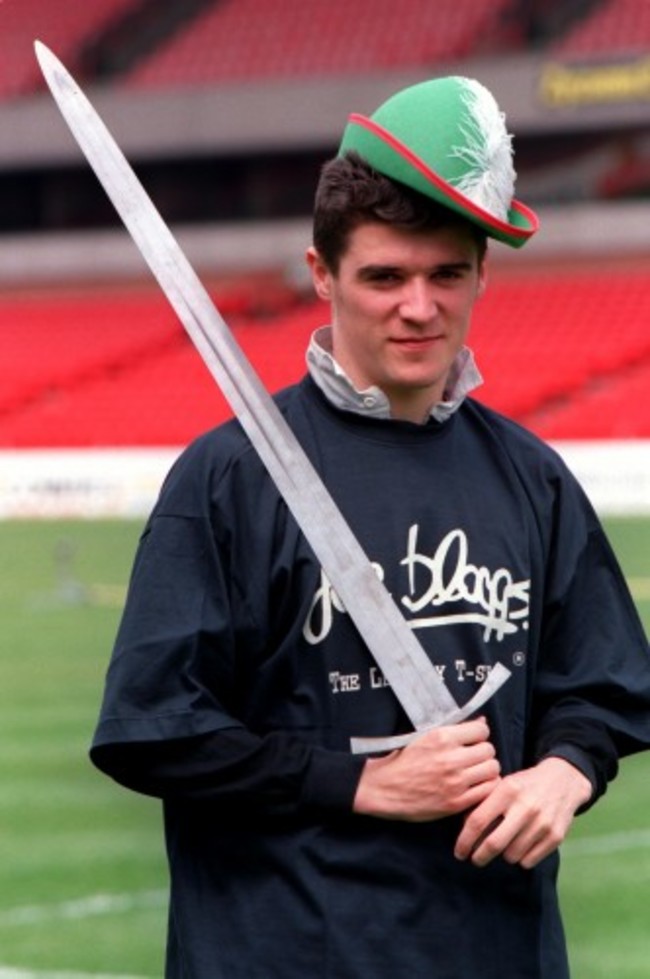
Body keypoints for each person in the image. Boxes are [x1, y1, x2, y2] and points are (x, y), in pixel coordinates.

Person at [90, 76, 650, 978]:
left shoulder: (531, 476)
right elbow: (154, 729)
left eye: (446, 275)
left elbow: (600, 687)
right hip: (285, 951)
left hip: (494, 948)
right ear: (323, 275)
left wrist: (564, 773)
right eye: (384, 276)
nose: (418, 308)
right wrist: (362, 783)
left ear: (481, 275)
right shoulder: (229, 477)